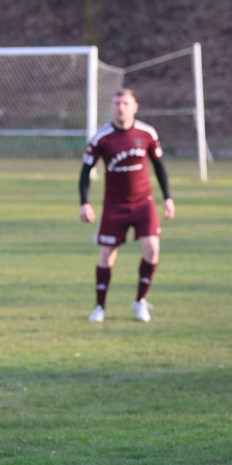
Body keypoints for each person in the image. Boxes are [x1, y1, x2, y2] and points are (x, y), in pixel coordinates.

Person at [79, 88, 175, 323]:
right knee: (105, 256)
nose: (120, 107)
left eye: (125, 103)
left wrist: (168, 198)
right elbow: (85, 172)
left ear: (134, 106)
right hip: (114, 205)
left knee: (152, 249)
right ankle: (99, 307)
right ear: (111, 107)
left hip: (144, 203)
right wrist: (84, 203)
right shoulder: (101, 137)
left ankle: (140, 301)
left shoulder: (146, 133)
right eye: (116, 103)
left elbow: (159, 166)